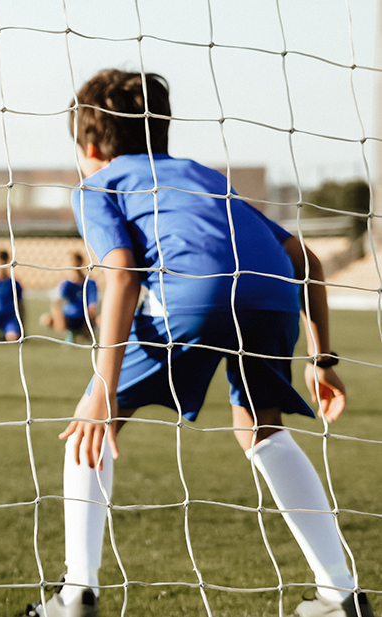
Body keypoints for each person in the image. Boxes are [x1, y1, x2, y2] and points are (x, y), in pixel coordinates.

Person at [25, 69, 367, 617]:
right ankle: (340, 594)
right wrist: (321, 360)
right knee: (262, 428)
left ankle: (76, 593)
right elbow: (307, 259)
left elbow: (121, 272)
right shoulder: (204, 176)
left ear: (89, 146)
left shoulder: (97, 185)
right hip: (272, 296)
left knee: (89, 429)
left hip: (195, 296)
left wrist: (101, 389)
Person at [40, 252, 99, 343]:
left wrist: (89, 317)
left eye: (74, 261)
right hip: (68, 317)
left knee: (101, 320)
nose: (72, 264)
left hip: (84, 317)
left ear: (80, 263)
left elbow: (93, 305)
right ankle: (68, 332)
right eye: (70, 262)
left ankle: (86, 333)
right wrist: (59, 316)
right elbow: (57, 303)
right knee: (46, 319)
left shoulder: (89, 282)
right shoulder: (65, 283)